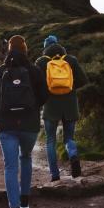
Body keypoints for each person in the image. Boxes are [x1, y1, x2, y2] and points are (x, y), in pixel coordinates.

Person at [0, 35, 47, 208]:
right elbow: (43, 97)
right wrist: (30, 109)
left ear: (8, 49)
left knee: (10, 167)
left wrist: (7, 111)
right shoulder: (34, 71)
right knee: (26, 157)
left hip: (6, 126)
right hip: (29, 125)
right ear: (25, 49)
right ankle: (25, 202)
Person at [35, 35, 88, 180]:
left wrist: (47, 91)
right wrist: (69, 87)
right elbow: (83, 80)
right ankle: (73, 155)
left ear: (45, 48)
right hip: (70, 104)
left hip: (51, 105)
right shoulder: (71, 60)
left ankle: (54, 174)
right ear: (58, 45)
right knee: (69, 138)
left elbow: (36, 85)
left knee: (50, 140)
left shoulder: (41, 62)